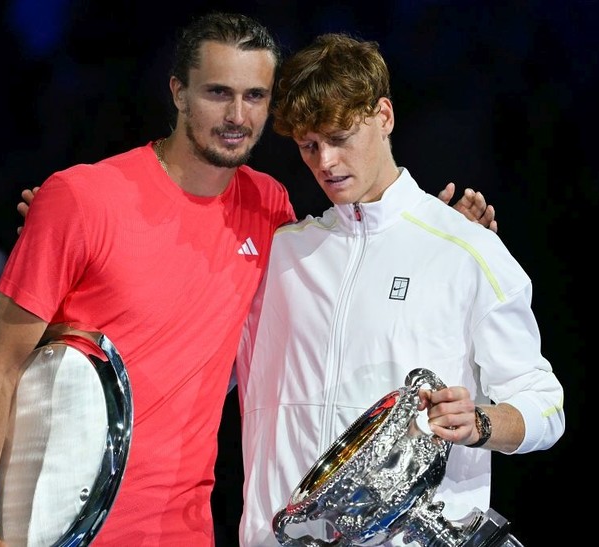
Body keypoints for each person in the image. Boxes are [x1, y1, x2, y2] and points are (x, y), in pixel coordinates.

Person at [0, 12, 495, 547]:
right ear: (178, 93)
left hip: (186, 532)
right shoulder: (80, 198)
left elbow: (349, 282)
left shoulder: (269, 208)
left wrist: (440, 238)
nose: (237, 115)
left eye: (255, 96)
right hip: (57, 530)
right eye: (218, 92)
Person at [234, 33, 565, 546]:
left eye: (339, 136)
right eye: (308, 145)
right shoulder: (281, 256)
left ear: (383, 115)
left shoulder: (465, 250)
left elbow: (545, 405)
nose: (324, 162)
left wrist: (479, 421)